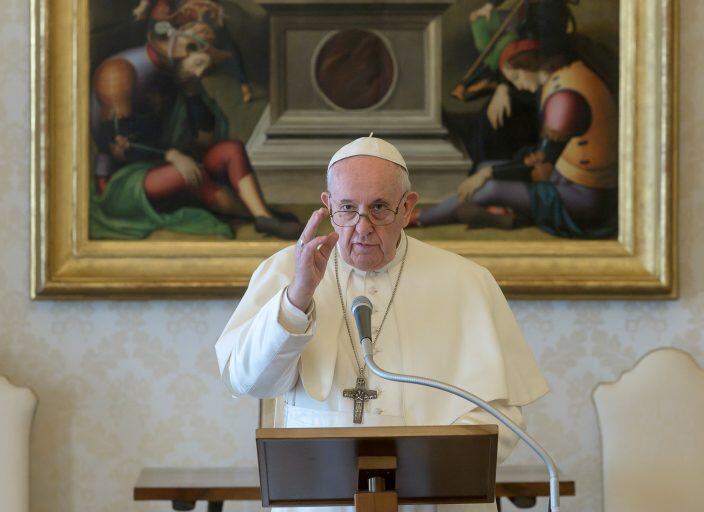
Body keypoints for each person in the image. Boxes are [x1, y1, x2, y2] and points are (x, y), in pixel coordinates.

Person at [215, 136, 549, 512]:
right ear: (327, 206)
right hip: (319, 504)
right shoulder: (285, 272)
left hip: (432, 506)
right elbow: (245, 379)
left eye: (378, 209)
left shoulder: (467, 281)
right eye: (346, 208)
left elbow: (499, 415)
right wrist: (297, 298)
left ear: (407, 208)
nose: (362, 227)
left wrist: (424, 472)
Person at [89, 15, 301, 240]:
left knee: (231, 149)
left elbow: (204, 139)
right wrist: (172, 155)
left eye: (205, 69)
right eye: (199, 63)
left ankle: (262, 216)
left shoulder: (178, 74)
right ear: (183, 47)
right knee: (187, 174)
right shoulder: (119, 72)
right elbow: (117, 143)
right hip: (121, 181)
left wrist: (191, 92)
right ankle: (257, 215)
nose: (200, 74)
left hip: (166, 164)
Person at [417, 34, 619, 239]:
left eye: (516, 78)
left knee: (490, 185)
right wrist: (488, 171)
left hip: (585, 200)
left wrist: (488, 174)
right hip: (566, 179)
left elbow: (542, 168)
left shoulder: (563, 99)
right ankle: (505, 214)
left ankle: (420, 218)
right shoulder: (567, 74)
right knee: (483, 168)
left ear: (529, 65)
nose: (519, 86)